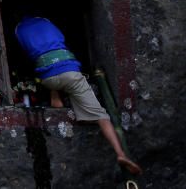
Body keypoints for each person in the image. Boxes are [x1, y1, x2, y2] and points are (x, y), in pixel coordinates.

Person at [14, 15, 142, 175]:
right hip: (69, 71)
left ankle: (56, 99)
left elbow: (25, 52)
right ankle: (121, 154)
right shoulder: (47, 22)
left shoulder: (19, 30)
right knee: (101, 115)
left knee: (54, 80)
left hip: (47, 77)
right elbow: (62, 38)